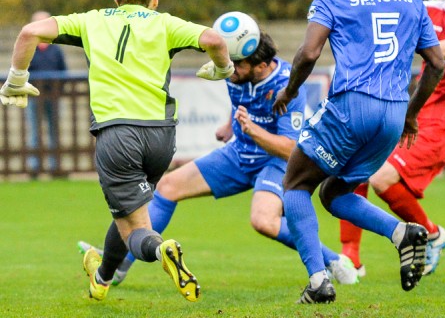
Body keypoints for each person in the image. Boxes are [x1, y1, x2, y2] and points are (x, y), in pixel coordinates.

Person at [0, 0, 234, 302]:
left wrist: (17, 80)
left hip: (117, 135)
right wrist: (222, 69)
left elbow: (30, 32)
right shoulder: (165, 24)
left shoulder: (92, 21)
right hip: (161, 137)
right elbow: (214, 38)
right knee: (126, 212)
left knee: (138, 232)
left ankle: (160, 249)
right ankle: (102, 280)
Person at [78, 26, 360, 288]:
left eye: (238, 65)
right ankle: (121, 266)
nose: (230, 69)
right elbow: (241, 101)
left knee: (265, 221)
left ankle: (333, 260)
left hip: (274, 162)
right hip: (238, 155)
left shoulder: (288, 86)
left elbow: (290, 148)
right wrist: (231, 125)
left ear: (261, 65)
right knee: (167, 187)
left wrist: (252, 130)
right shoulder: (235, 72)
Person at [272, 0, 445, 304]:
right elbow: (436, 62)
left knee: (295, 184)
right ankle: (402, 233)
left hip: (353, 104)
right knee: (335, 192)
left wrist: (290, 90)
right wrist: (412, 114)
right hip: (394, 112)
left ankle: (318, 282)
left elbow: (310, 53)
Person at [340, 0, 445, 277]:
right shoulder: (430, 8)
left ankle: (429, 233)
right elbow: (391, 10)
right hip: (411, 108)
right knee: (356, 167)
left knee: (381, 178)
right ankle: (350, 256)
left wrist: (407, 45)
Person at [25, 11, 68, 177]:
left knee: (54, 132)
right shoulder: (28, 47)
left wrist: (59, 91)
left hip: (54, 98)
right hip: (34, 97)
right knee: (34, 132)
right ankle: (33, 167)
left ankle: (54, 166)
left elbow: (63, 71)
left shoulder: (56, 50)